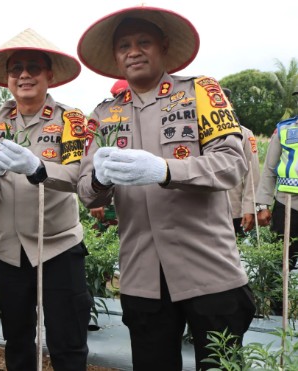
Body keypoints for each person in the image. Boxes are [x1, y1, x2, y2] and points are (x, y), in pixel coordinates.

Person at [77, 6, 256, 370]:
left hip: (209, 270)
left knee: (220, 365)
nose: (133, 51)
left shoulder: (200, 93)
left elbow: (232, 164)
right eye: (124, 45)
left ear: (163, 47)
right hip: (142, 277)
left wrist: (164, 169)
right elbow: (86, 191)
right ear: (116, 55)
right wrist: (100, 178)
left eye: (144, 41)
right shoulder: (104, 115)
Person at [0, 28, 92, 371]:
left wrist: (39, 167)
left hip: (58, 247)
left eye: (34, 68)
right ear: (7, 78)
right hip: (7, 249)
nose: (24, 75)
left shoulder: (70, 120)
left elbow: (77, 175)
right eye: (16, 68)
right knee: (18, 339)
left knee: (68, 341)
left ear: (49, 75)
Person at [256, 88, 298, 270]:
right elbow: (269, 169)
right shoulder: (284, 129)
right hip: (287, 205)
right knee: (281, 264)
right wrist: (262, 205)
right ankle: (278, 300)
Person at [89, 79, 128, 228]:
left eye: (124, 95)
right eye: (116, 96)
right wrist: (97, 198)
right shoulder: (105, 119)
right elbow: (93, 161)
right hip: (113, 195)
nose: (121, 100)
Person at [223, 88, 260, 236]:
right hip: (201, 212)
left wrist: (249, 208)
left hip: (234, 210)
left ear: (230, 104)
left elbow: (253, 174)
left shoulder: (244, 133)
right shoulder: (195, 132)